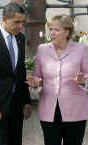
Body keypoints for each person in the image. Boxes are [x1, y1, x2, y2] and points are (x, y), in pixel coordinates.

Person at [27, 14, 88, 145]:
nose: (52, 33)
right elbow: (37, 76)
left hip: (75, 109)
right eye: (51, 29)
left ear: (67, 31)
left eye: (57, 29)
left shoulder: (81, 49)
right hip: (49, 109)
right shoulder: (42, 50)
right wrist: (35, 83)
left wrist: (83, 81)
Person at [0, 2, 32, 145]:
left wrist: (26, 101)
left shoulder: (21, 38)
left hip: (16, 106)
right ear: (4, 19)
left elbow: (21, 72)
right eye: (17, 22)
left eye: (22, 22)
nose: (21, 26)